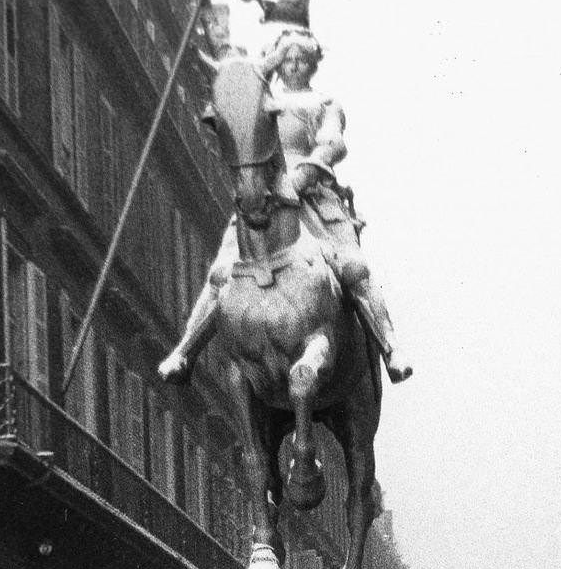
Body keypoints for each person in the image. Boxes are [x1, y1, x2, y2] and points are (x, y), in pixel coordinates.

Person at [161, 24, 411, 387]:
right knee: (221, 272)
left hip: (313, 193)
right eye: (288, 60)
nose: (293, 66)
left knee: (354, 266)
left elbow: (332, 145)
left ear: (313, 64)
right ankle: (185, 350)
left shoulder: (324, 103)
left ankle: (390, 348)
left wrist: (303, 175)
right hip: (263, 191)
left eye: (301, 60)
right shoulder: (263, 103)